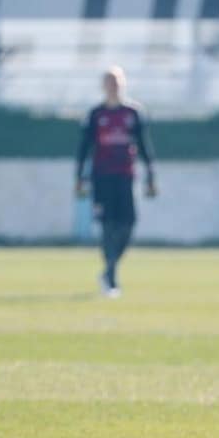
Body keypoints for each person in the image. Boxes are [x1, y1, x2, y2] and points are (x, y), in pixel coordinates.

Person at [75, 66, 157, 298]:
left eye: (117, 82)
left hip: (125, 176)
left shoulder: (133, 113)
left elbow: (143, 146)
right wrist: (79, 178)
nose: (114, 86)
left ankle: (109, 269)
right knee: (107, 225)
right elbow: (84, 148)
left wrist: (151, 175)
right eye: (110, 82)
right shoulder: (95, 114)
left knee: (128, 223)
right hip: (101, 178)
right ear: (104, 86)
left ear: (123, 84)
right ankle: (110, 277)